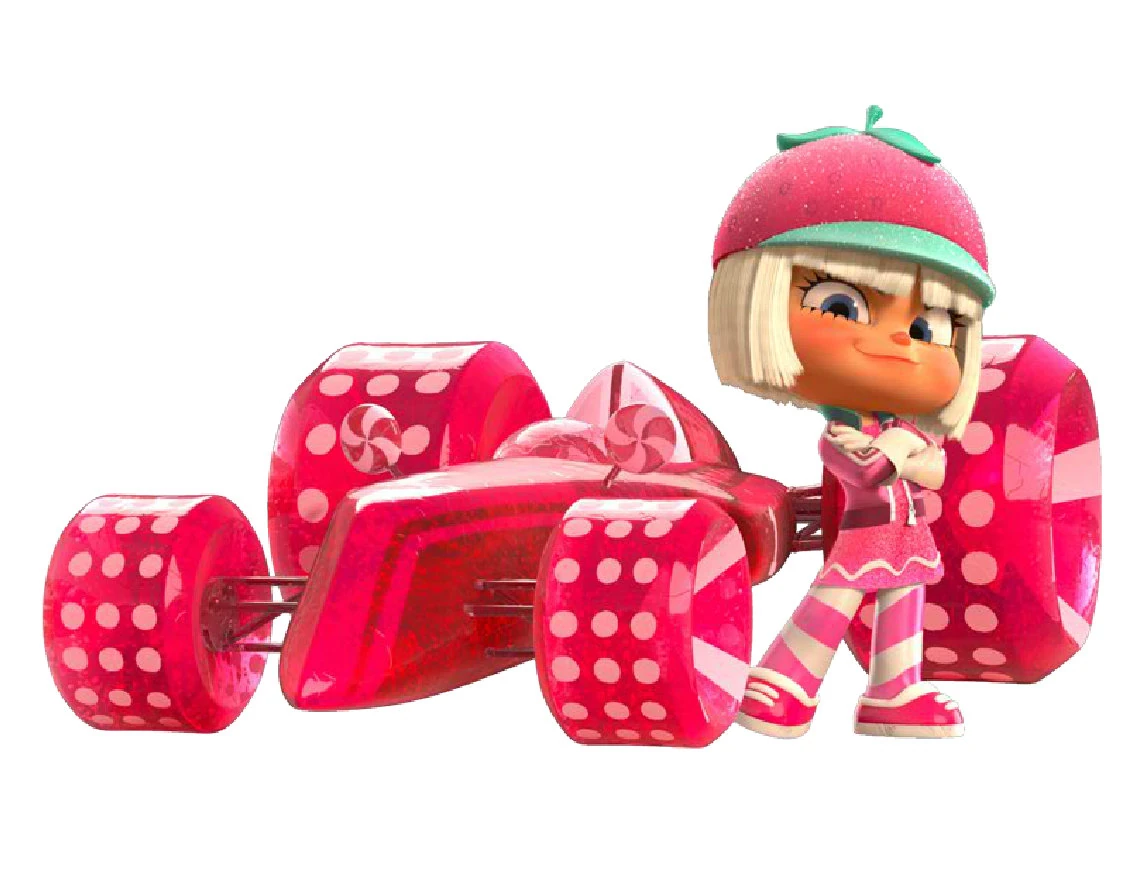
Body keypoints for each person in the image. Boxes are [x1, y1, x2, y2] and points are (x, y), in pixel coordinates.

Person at [707, 106, 994, 738]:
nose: (901, 341)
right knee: (835, 596)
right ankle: (784, 678)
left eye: (930, 327)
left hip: (907, 532)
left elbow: (933, 470)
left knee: (905, 602)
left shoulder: (897, 427)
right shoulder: (841, 432)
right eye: (840, 305)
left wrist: (903, 450)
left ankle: (894, 688)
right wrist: (899, 451)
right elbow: (867, 472)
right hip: (867, 532)